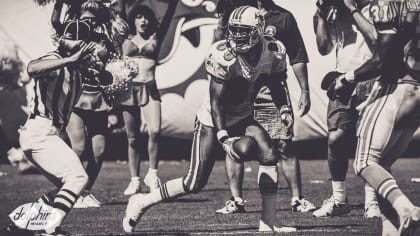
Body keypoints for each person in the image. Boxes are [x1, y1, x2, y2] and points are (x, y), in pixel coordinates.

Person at [123, 6, 297, 233]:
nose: (236, 35)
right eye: (234, 30)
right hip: (212, 120)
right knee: (193, 183)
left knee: (269, 154)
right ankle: (141, 202)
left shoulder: (273, 50)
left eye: (243, 30)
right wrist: (223, 136)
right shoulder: (223, 55)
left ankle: (268, 221)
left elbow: (275, 82)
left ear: (258, 30)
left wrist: (283, 107)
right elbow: (217, 102)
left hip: (243, 116)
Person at [215, 0, 315, 214]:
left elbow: (297, 56)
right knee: (234, 145)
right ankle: (236, 199)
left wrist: (304, 91)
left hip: (270, 88)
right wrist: (221, 21)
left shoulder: (283, 17)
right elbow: (219, 47)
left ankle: (297, 198)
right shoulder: (237, 10)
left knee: (283, 144)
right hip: (240, 89)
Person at [331, 0, 420, 234]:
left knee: (365, 162)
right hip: (416, 90)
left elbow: (384, 59)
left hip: (398, 89)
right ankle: (391, 231)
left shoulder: (394, 4)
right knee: (381, 166)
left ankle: (406, 208)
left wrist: (347, 78)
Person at [3, 28, 100, 235]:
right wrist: (70, 60)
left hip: (48, 133)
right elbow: (32, 67)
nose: (78, 42)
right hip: (40, 131)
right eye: (72, 37)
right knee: (78, 178)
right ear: (60, 39)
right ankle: (51, 229)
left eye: (82, 38)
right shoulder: (55, 58)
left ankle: (21, 224)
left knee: (70, 187)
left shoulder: (78, 68)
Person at [312, 0, 381, 218]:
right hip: (342, 79)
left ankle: (372, 201)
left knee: (372, 142)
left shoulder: (378, 6)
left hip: (373, 79)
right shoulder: (334, 9)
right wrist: (322, 14)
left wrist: (353, 9)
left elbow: (375, 38)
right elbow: (324, 48)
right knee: (335, 139)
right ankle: (340, 199)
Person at [118, 0, 178, 195]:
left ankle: (152, 174)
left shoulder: (156, 37)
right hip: (129, 90)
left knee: (155, 131)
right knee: (132, 138)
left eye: (146, 18)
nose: (143, 21)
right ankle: (134, 180)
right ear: (132, 20)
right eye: (138, 17)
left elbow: (168, 17)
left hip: (150, 89)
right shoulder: (124, 36)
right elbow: (120, 12)